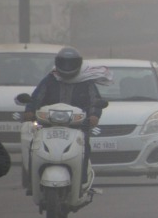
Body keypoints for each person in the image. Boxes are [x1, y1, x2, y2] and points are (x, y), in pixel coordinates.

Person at [21, 47, 109, 193]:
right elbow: (36, 97)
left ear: (78, 64)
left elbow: (95, 101)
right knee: (33, 145)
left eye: (71, 63)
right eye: (64, 63)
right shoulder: (50, 79)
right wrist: (29, 111)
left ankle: (82, 181)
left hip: (77, 126)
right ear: (58, 63)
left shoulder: (86, 81)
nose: (67, 67)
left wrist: (94, 115)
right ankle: (32, 181)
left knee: (84, 145)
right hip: (48, 125)